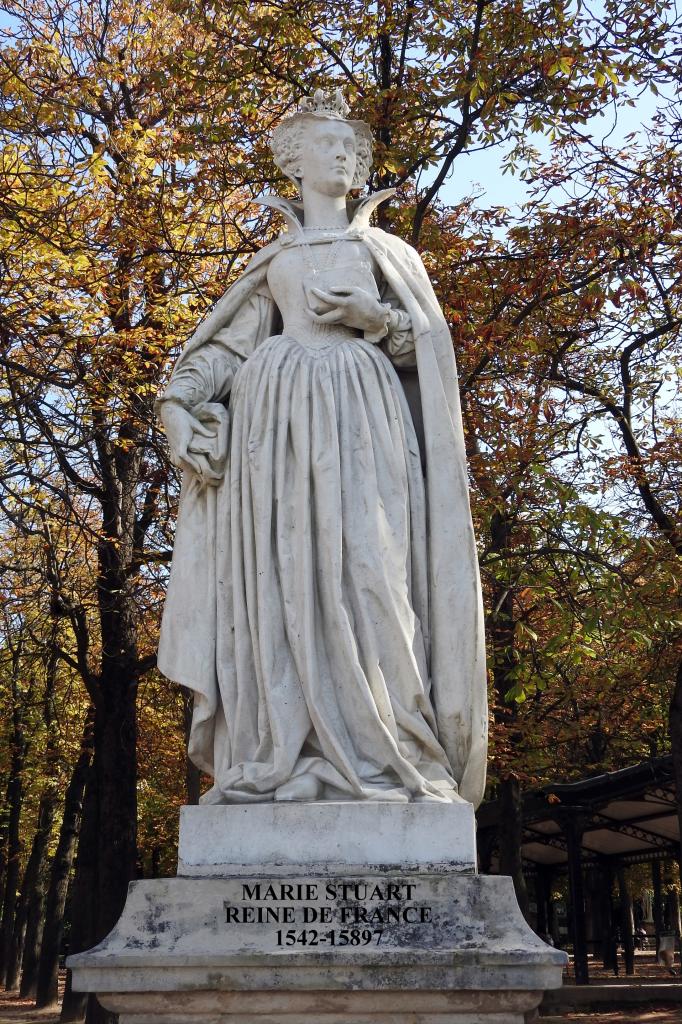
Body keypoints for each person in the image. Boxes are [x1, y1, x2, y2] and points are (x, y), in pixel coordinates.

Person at [157, 88, 488, 805]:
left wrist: (376, 318)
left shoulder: (387, 253)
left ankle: (394, 748)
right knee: (281, 582)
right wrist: (178, 406)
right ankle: (282, 747)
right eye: (327, 144)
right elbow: (224, 349)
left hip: (364, 423)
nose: (343, 154)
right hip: (273, 430)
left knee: (377, 573)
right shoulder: (274, 257)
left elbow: (426, 352)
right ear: (293, 160)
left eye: (352, 147)